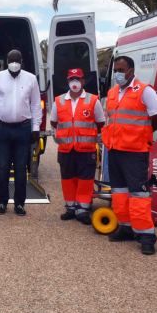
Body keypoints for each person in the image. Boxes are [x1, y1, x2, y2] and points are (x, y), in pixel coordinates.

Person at [103, 56, 157, 255]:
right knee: (119, 193)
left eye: (121, 69)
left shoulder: (145, 91)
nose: (117, 74)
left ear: (131, 70)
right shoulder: (113, 92)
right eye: (115, 70)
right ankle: (126, 227)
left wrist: (143, 134)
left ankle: (146, 236)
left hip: (135, 152)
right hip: (115, 150)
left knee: (139, 195)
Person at [0, 50, 42, 216]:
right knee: (3, 167)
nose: (14, 62)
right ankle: (2, 202)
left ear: (21, 61)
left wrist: (36, 127)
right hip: (2, 127)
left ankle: (19, 204)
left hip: (23, 128)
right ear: (7, 60)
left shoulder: (31, 78)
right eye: (11, 59)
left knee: (20, 168)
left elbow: (35, 105)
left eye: (17, 59)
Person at [50, 68, 105, 224]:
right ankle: (70, 207)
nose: (75, 82)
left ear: (83, 81)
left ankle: (83, 209)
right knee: (67, 179)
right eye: (71, 79)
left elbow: (101, 123)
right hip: (66, 149)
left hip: (86, 149)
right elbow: (54, 122)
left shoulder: (93, 100)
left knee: (85, 179)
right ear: (68, 82)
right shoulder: (59, 100)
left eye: (78, 79)